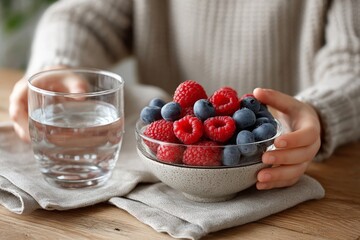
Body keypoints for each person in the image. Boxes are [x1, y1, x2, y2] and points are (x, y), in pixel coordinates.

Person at [9, 0, 360, 190]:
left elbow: (352, 62)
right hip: (168, 173)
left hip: (287, 167)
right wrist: (57, 65)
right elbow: (79, 16)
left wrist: (318, 111)